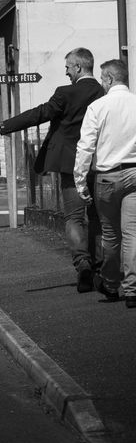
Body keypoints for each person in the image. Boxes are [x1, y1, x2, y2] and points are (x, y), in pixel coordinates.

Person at [0, 47, 105, 293]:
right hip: (101, 162)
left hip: (71, 164)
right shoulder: (103, 92)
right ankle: (102, 269)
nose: (66, 72)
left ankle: (83, 266)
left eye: (68, 67)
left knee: (74, 217)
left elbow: (39, 114)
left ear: (79, 67)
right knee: (98, 219)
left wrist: (1, 126)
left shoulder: (65, 93)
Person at [74, 59, 136, 309]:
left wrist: (80, 181)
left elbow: (85, 146)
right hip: (135, 173)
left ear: (110, 79)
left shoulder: (98, 107)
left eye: (102, 78)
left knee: (110, 235)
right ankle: (132, 290)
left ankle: (111, 284)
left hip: (107, 176)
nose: (101, 82)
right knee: (132, 234)